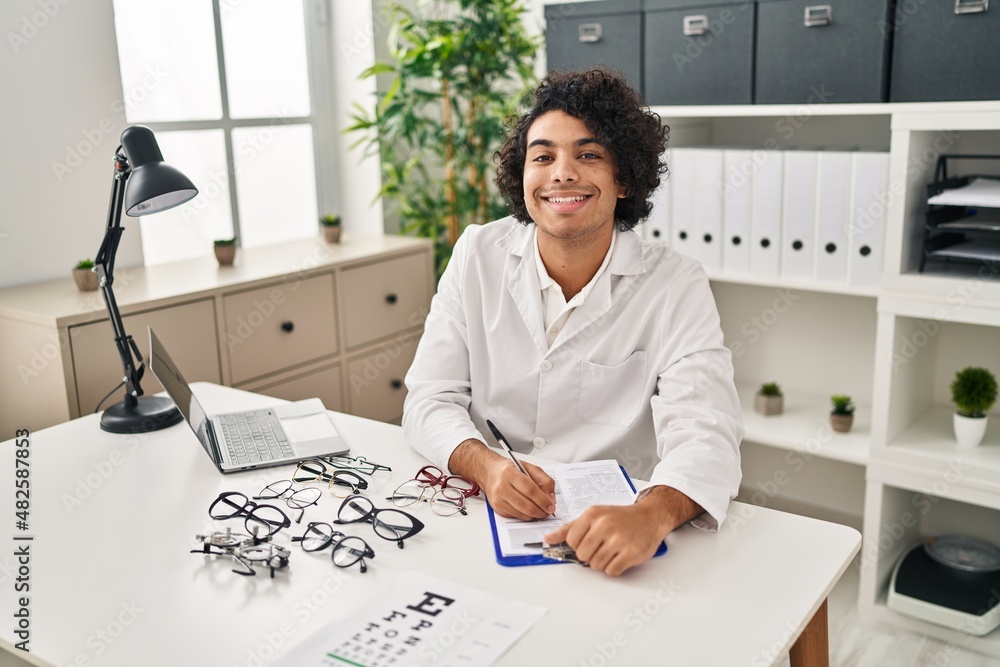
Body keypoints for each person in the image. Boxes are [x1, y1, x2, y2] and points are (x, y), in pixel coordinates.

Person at [402, 67, 743, 577]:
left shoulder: (675, 283)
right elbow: (429, 398)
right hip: (485, 520)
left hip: (618, 535)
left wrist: (650, 514)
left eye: (588, 155)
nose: (561, 173)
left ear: (623, 178)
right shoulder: (477, 254)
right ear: (523, 176)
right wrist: (487, 465)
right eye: (543, 156)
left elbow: (707, 431)